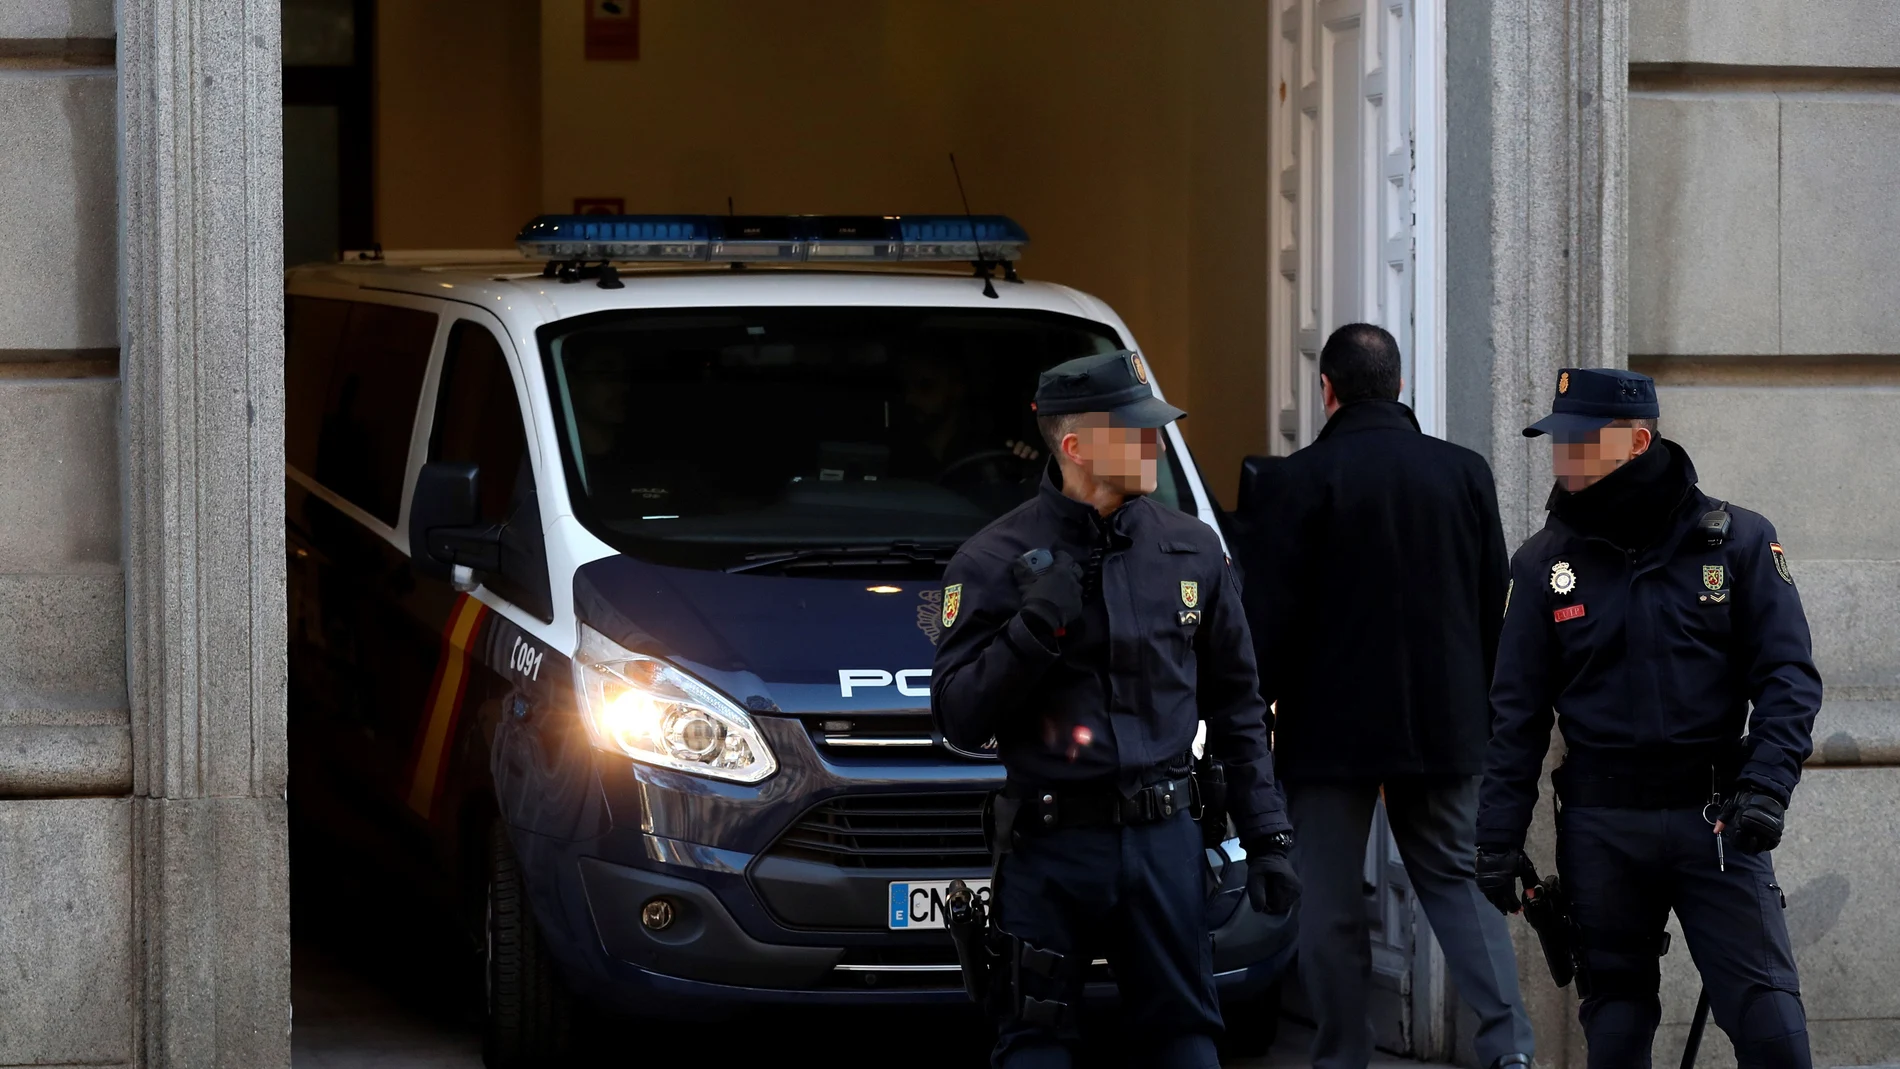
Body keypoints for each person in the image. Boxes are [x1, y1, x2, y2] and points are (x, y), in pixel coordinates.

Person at [931, 350, 1299, 1068]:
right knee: (1034, 1047)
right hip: (1050, 847)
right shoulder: (991, 560)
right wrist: (1030, 633)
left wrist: (1268, 835)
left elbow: (1237, 707)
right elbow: (957, 716)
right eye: (1136, 431)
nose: (1155, 444)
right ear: (1074, 446)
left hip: (1165, 842)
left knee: (1187, 1044)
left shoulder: (1190, 551)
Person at [1474, 367, 1821, 1068]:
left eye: (1579, 441)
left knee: (1772, 1028)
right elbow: (1516, 714)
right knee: (1618, 1030)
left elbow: (1788, 676)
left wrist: (1767, 785)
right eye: (1556, 442)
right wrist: (1497, 838)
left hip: (1718, 821)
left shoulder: (1738, 543)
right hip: (1604, 831)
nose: (1562, 457)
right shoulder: (1543, 565)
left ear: (1636, 440)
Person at [1235, 323, 1535, 1069]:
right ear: (1399, 385)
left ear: (1327, 390)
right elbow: (1489, 598)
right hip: (1444, 722)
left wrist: (1252, 719)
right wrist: (1490, 714)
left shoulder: (1293, 480)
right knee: (1463, 892)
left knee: (1331, 908)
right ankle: (1511, 1051)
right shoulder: (1465, 472)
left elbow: (1269, 622)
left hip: (1326, 732)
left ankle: (1341, 1057)